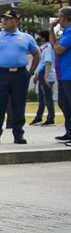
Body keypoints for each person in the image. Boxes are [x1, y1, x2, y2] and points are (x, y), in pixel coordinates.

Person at [0, 10, 39, 145]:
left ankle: (18, 134)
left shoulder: (26, 37)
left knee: (19, 105)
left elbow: (37, 54)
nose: (4, 21)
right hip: (1, 74)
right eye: (3, 19)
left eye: (8, 19)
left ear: (16, 21)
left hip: (20, 74)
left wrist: (31, 71)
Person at [49, 8, 71, 141]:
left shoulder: (70, 32)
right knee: (64, 103)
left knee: (68, 103)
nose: (58, 20)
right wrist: (51, 29)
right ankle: (69, 132)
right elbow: (55, 45)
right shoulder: (65, 33)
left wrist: (56, 44)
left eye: (59, 17)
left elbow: (58, 49)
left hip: (69, 76)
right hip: (63, 75)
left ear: (64, 18)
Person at [30, 31, 56, 125]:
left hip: (47, 75)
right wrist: (37, 75)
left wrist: (45, 77)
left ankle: (51, 118)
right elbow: (41, 64)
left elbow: (48, 63)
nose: (39, 38)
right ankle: (39, 117)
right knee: (41, 98)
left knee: (48, 98)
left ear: (44, 37)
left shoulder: (48, 48)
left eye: (40, 36)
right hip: (41, 74)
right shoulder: (42, 48)